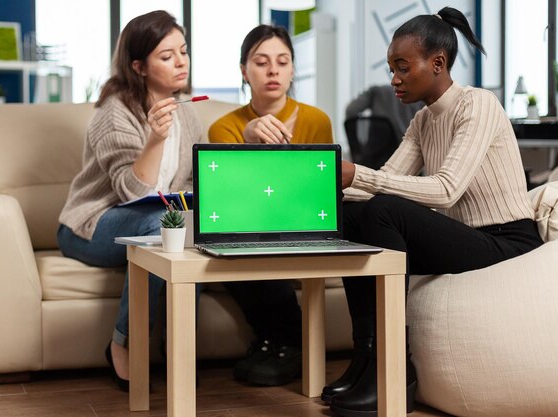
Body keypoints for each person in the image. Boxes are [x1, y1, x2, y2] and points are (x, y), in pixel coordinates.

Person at [323, 7, 544, 417]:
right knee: (353, 219)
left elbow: (444, 190)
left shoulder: (478, 105)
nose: (394, 80)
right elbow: (385, 179)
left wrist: (357, 175)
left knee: (384, 210)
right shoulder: (423, 120)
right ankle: (367, 356)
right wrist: (325, 192)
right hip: (469, 240)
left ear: (437, 63)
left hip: (508, 243)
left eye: (402, 67)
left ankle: (395, 368)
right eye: (392, 68)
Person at [57, 10, 204, 392]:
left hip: (154, 219)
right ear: (139, 66)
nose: (181, 62)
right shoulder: (114, 113)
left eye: (183, 51)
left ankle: (180, 343)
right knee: (165, 225)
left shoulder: (188, 114)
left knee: (192, 225)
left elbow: (190, 188)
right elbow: (134, 194)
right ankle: (124, 342)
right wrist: (154, 139)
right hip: (91, 226)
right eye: (167, 56)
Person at [208, 24, 334, 386]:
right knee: (235, 240)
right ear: (244, 71)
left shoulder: (315, 120)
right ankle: (280, 341)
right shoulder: (224, 127)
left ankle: (284, 342)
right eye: (261, 62)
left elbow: (319, 190)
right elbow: (232, 197)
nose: (273, 70)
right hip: (247, 223)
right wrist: (246, 143)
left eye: (283, 61)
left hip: (302, 220)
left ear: (293, 69)